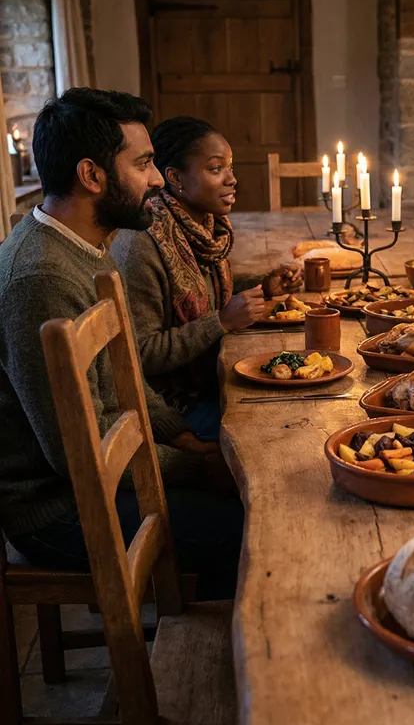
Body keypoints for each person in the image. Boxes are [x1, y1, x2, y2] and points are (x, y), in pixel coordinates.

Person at [0, 89, 242, 599]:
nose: (157, 180)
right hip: (59, 509)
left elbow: (125, 377)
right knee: (247, 524)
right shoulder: (40, 276)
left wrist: (186, 441)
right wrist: (197, 468)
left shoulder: (89, 244)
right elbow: (78, 450)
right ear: (92, 175)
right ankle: (209, 664)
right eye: (144, 164)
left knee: (243, 462)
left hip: (98, 477)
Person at [111, 117, 301, 441]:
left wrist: (262, 285)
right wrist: (221, 323)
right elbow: (141, 354)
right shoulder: (143, 244)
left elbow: (206, 291)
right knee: (282, 428)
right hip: (174, 409)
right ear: (175, 177)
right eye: (216, 169)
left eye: (230, 167)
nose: (232, 180)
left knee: (294, 406)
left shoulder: (202, 229)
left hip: (208, 381)